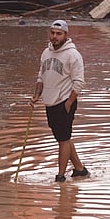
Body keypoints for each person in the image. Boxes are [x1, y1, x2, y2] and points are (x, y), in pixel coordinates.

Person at [32, 20, 88, 182]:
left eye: (58, 34)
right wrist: (36, 96)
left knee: (63, 140)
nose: (54, 37)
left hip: (64, 101)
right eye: (52, 33)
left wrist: (69, 103)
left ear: (65, 35)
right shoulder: (46, 53)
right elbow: (41, 77)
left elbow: (79, 82)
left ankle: (60, 176)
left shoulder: (73, 55)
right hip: (49, 101)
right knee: (63, 137)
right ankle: (79, 169)